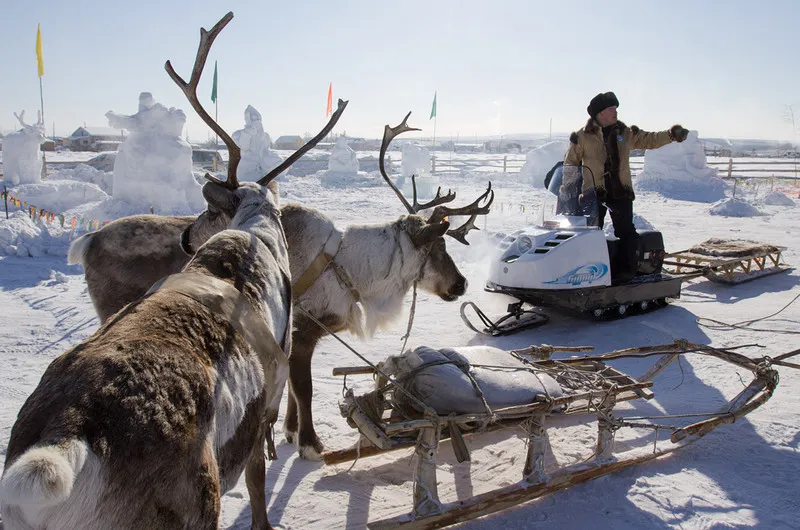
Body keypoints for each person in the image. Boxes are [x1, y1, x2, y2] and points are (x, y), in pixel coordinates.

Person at [562, 91, 689, 281]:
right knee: (588, 235)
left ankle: (626, 274)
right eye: (611, 108)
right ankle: (586, 273)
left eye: (616, 108)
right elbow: (570, 163)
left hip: (620, 193)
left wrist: (671, 135)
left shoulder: (625, 132)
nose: (615, 112)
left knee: (626, 233)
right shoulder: (582, 136)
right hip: (593, 194)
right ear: (600, 113)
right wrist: (568, 189)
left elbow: (649, 139)